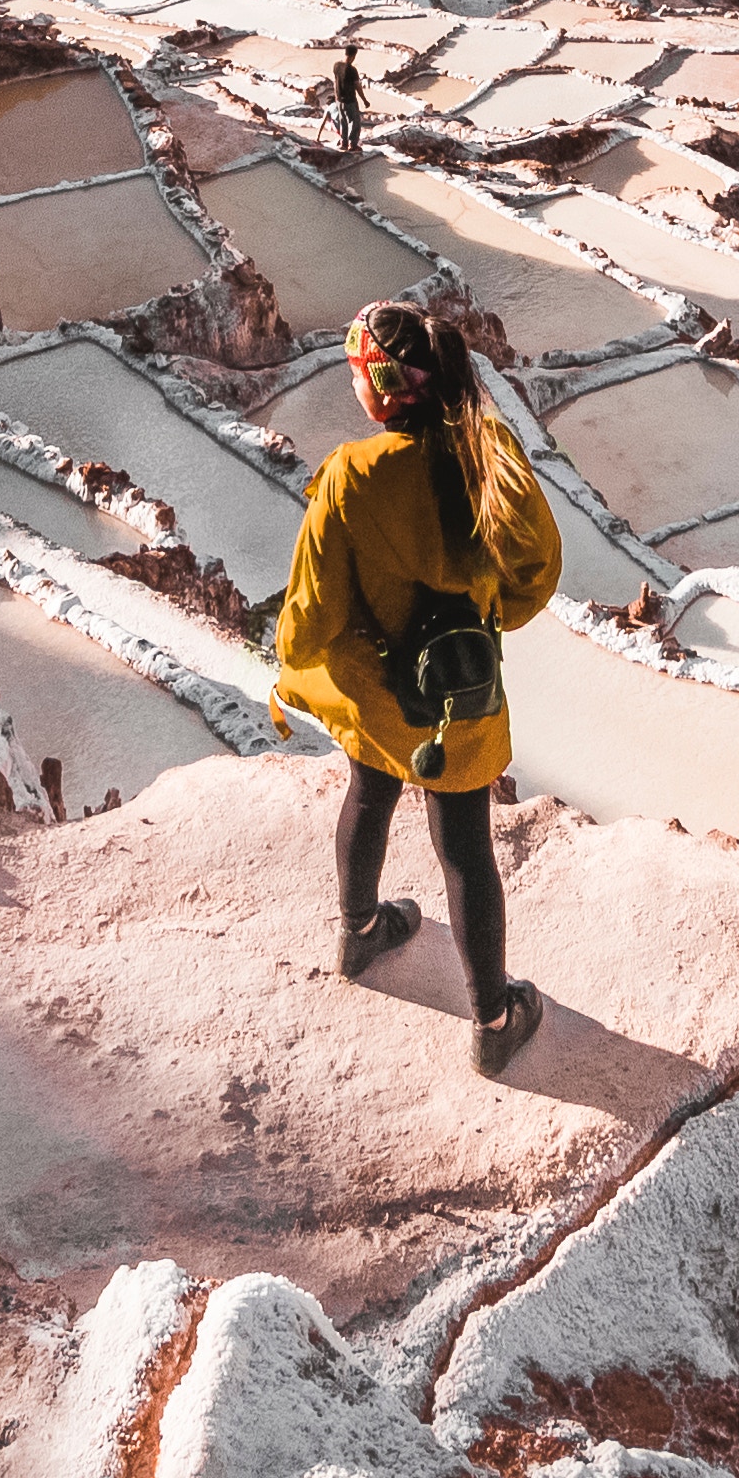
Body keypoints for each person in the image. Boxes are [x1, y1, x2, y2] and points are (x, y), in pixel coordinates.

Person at [270, 300, 559, 1074]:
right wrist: (490, 612)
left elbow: (311, 612)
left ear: (384, 391)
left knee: (368, 791)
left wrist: (291, 667)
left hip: (378, 689)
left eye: (357, 373)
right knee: (465, 847)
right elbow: (537, 575)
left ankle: (359, 935)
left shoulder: (351, 478)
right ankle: (494, 1019)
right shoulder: (487, 452)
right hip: (460, 693)